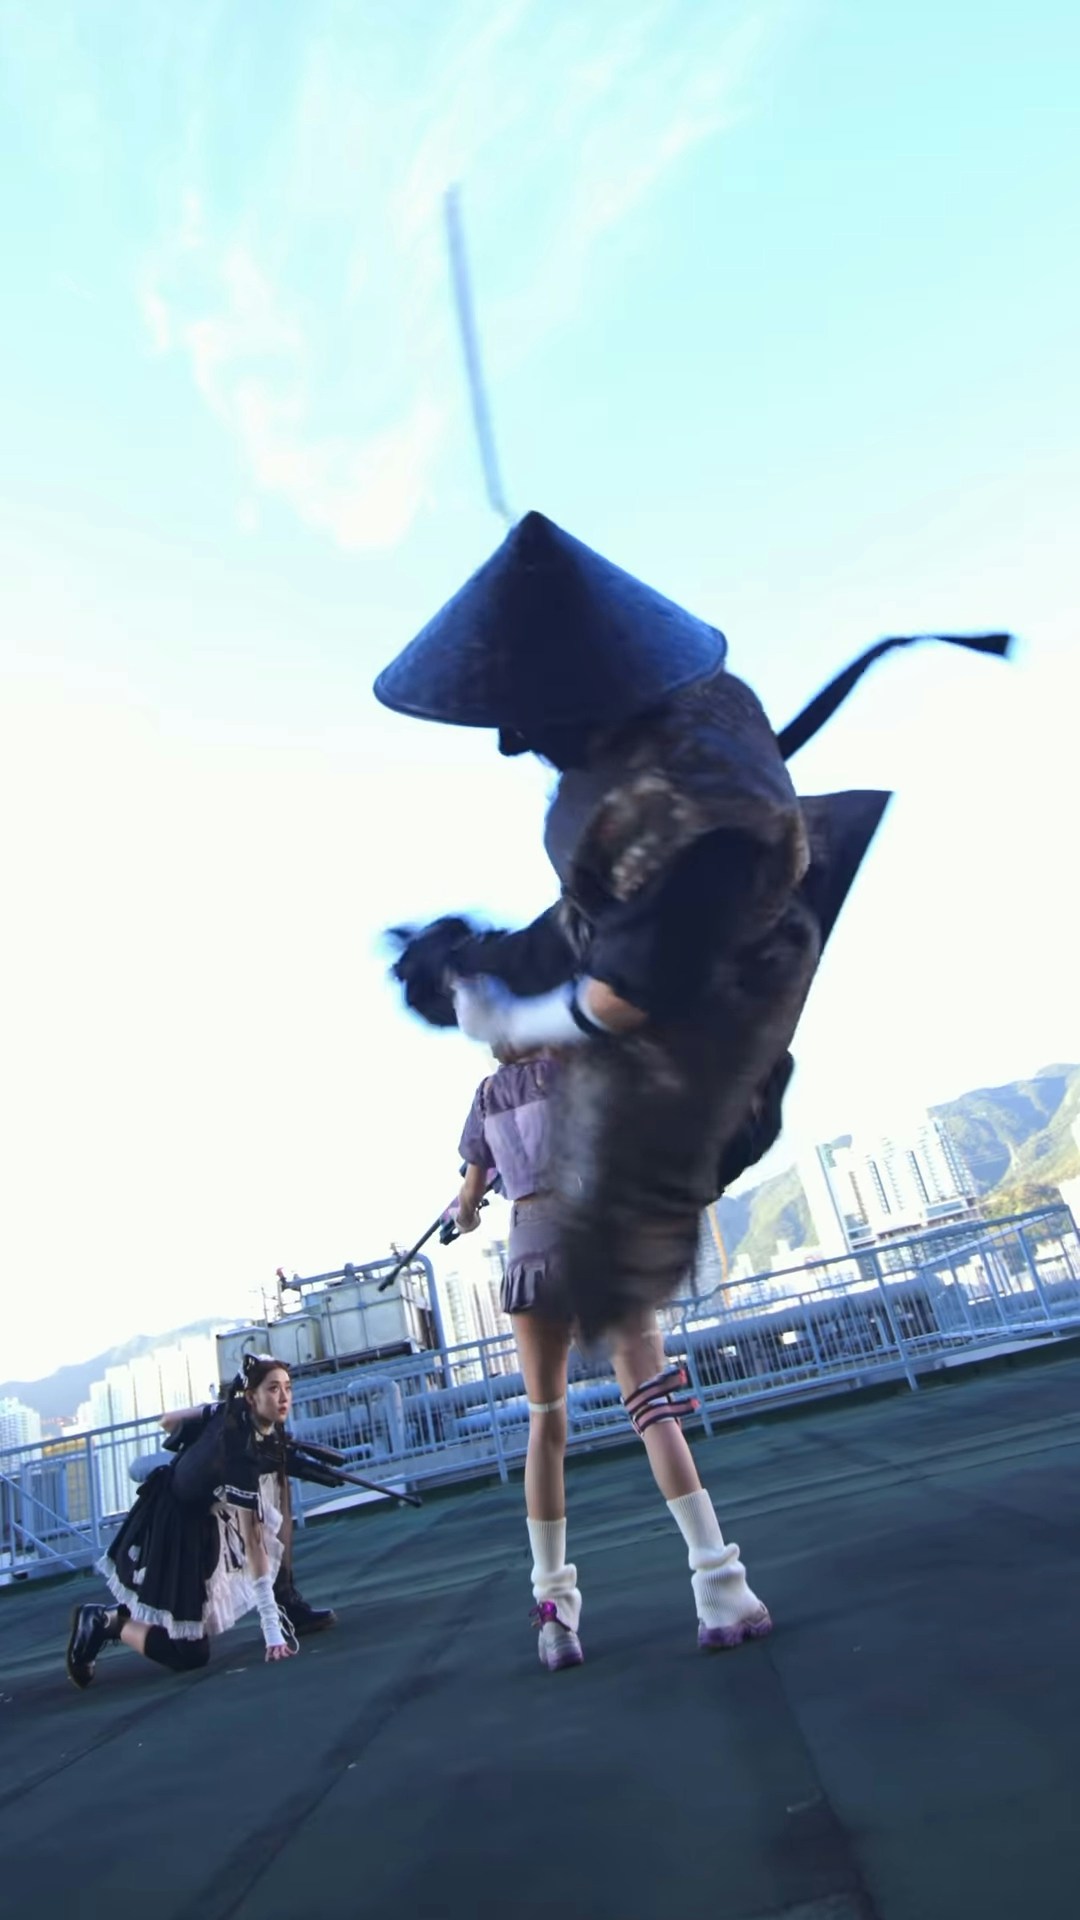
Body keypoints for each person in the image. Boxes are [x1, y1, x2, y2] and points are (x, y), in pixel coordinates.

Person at [379, 510, 1010, 1342]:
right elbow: (586, 923)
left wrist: (512, 1020)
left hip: (719, 966)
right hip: (656, 903)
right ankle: (462, 969)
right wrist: (469, 964)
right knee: (543, 963)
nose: (512, 742)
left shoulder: (688, 822)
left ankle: (659, 1201)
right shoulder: (690, 717)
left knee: (627, 1187)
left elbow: (628, 995)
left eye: (525, 721)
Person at [455, 1048, 772, 1670]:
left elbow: (469, 1204)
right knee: (652, 1410)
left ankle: (553, 1613)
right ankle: (719, 1586)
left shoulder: (488, 1096)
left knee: (546, 1426)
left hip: (528, 1257)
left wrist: (464, 1210)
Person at [65, 1355, 332, 1690]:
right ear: (252, 1396)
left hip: (202, 1520)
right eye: (273, 1389)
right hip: (176, 1527)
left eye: (288, 1388)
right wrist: (271, 1629)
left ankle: (113, 1618)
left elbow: (169, 1421)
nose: (284, 1398)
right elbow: (253, 1541)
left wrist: (212, 1411)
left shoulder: (234, 1413)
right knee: (188, 1653)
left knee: (184, 1627)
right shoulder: (239, 1450)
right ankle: (107, 1622)